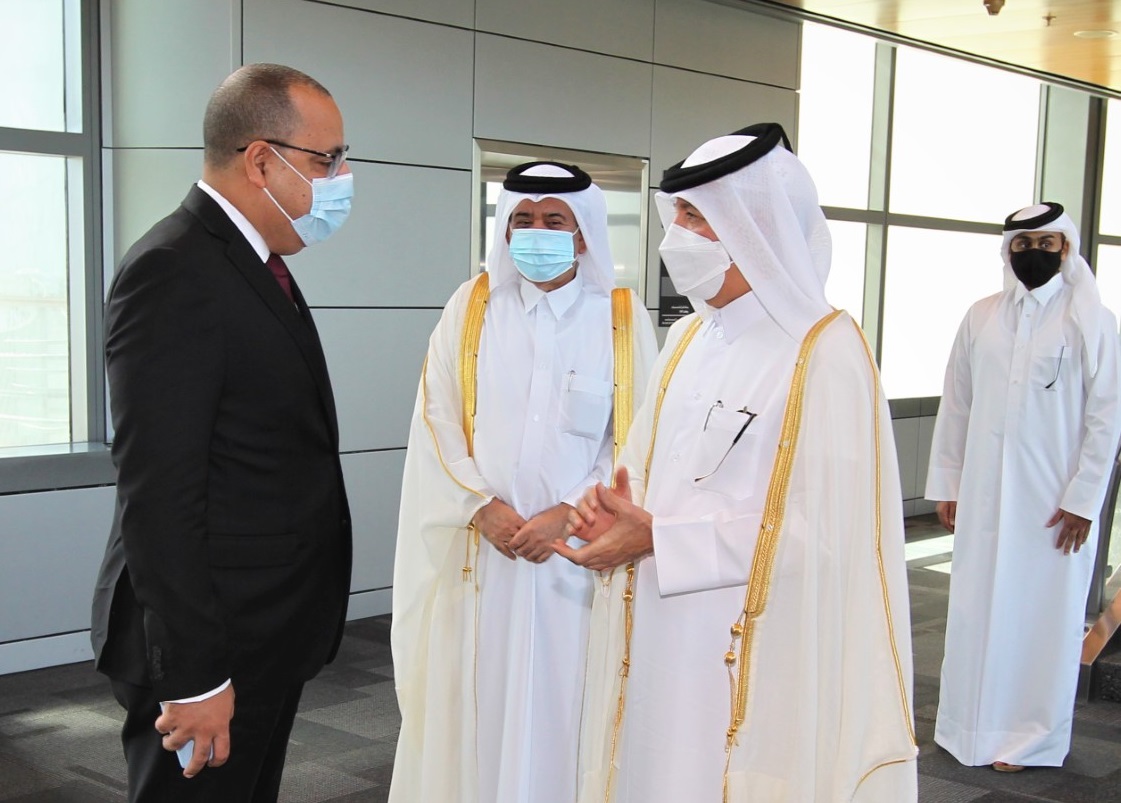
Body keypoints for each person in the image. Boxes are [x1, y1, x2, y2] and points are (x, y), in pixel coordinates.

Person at [559, 123, 918, 802]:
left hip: (746, 642)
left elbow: (829, 533)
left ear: (751, 226)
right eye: (678, 214)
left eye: (696, 217)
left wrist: (662, 539)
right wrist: (608, 511)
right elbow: (640, 470)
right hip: (656, 629)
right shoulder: (687, 337)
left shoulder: (824, 350)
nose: (676, 235)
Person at [89, 63, 355, 802]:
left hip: (263, 630)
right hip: (211, 643)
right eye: (327, 159)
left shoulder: (252, 262)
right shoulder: (175, 270)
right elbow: (159, 494)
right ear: (261, 160)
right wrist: (197, 675)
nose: (341, 179)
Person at [389, 161, 658, 803]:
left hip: (575, 558)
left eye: (554, 220)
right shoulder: (472, 307)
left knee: (567, 707)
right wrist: (480, 506)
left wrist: (566, 512)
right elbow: (436, 418)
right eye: (524, 219)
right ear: (505, 231)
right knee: (476, 701)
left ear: (583, 233)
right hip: (484, 555)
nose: (538, 231)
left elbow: (635, 439)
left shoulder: (620, 318)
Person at [926, 202, 1121, 772]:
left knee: (1041, 619)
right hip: (984, 499)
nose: (1033, 253)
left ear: (1066, 248)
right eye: (1023, 244)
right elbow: (957, 403)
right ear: (1007, 250)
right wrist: (949, 483)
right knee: (975, 613)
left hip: (1053, 509)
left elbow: (1106, 418)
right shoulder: (982, 316)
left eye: (1046, 244)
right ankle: (967, 730)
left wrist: (1084, 500)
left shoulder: (1091, 320)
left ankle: (1030, 739)